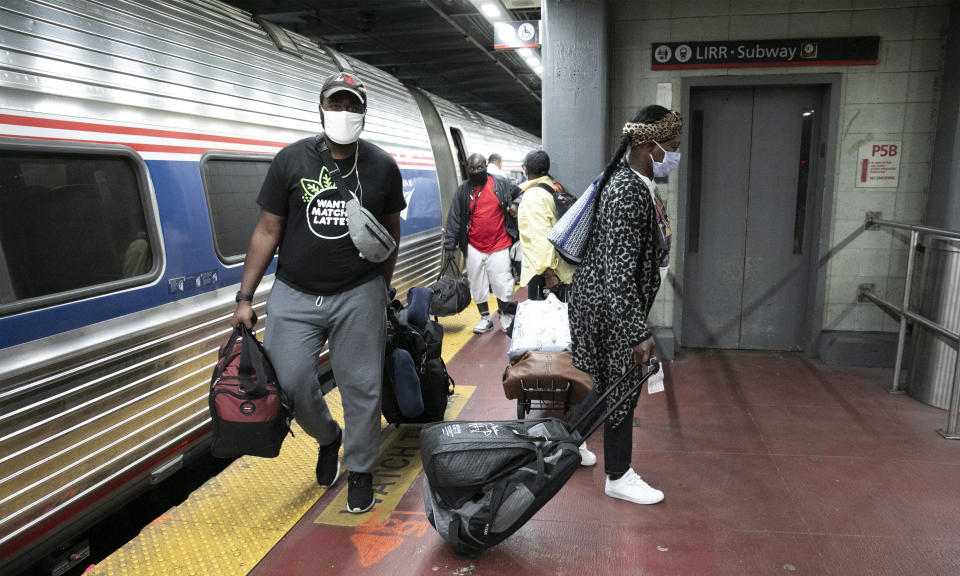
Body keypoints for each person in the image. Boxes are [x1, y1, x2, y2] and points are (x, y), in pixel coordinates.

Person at [231, 71, 405, 514]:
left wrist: (381, 290)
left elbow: (390, 233)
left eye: (353, 106)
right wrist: (245, 298)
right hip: (294, 291)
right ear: (321, 108)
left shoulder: (382, 166)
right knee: (290, 381)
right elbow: (268, 230)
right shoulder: (291, 160)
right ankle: (329, 437)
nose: (344, 113)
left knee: (360, 387)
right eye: (337, 104)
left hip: (358, 291)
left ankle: (361, 469)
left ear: (364, 113)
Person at [568, 105, 681, 505]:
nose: (675, 155)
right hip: (609, 306)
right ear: (649, 146)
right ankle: (618, 475)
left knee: (605, 384)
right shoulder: (626, 193)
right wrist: (637, 332)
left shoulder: (637, 184)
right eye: (672, 146)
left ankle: (569, 443)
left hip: (606, 301)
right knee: (622, 390)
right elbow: (618, 274)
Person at [443, 153, 521, 333]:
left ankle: (503, 314)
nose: (476, 171)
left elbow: (521, 192)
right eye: (472, 168)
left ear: (485, 166)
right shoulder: (462, 192)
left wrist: (516, 204)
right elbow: (454, 218)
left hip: (499, 244)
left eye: (479, 167)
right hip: (473, 246)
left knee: (501, 283)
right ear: (468, 169)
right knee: (477, 286)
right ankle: (485, 318)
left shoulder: (501, 184)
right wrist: (449, 245)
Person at [516, 150, 576, 302]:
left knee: (543, 322)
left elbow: (540, 238)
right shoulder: (555, 187)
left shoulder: (533, 196)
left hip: (544, 274)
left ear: (526, 170)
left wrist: (548, 275)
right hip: (562, 269)